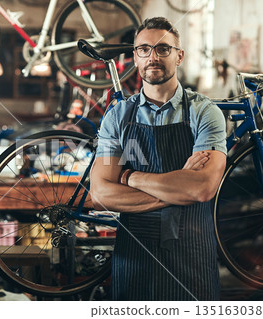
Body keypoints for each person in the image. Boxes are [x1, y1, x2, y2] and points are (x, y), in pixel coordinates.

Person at [90, 17, 227, 301]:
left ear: (179, 56)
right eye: (144, 49)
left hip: (192, 254)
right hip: (134, 256)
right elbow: (101, 194)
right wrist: (179, 190)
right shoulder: (118, 116)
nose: (153, 57)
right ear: (135, 58)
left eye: (163, 49)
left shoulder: (204, 112)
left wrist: (130, 177)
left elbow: (201, 188)